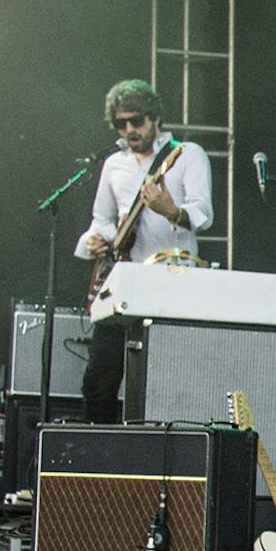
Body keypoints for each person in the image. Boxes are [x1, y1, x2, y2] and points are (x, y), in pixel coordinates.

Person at [73, 80, 214, 423]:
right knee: (99, 380)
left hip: (173, 283)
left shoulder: (186, 154)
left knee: (166, 383)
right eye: (121, 124)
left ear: (156, 118)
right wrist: (95, 240)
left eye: (137, 121)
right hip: (123, 283)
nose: (130, 130)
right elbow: (102, 220)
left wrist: (171, 210)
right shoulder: (113, 165)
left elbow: (204, 214)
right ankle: (96, 464)